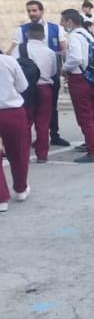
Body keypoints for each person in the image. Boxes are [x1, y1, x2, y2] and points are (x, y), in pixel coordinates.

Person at [8, 0, 70, 148]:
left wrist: (65, 69)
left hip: (50, 72)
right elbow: (14, 50)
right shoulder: (22, 30)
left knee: (52, 108)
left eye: (34, 10)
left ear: (41, 11)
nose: (31, 13)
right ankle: (34, 141)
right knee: (31, 110)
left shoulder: (56, 28)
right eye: (29, 10)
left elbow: (64, 49)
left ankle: (54, 135)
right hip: (29, 76)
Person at [61, 9, 94, 163]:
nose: (62, 25)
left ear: (70, 22)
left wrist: (64, 68)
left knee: (85, 116)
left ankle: (93, 150)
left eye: (63, 22)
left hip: (81, 79)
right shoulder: (89, 34)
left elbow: (75, 58)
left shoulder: (74, 36)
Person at [14, 23, 57, 163]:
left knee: (25, 123)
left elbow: (15, 68)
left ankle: (23, 154)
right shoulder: (49, 52)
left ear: (28, 34)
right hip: (45, 88)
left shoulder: (20, 49)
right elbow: (53, 72)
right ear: (43, 35)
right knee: (43, 123)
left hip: (27, 89)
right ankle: (42, 155)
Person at [0, 49, 31, 213]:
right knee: (18, 152)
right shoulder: (9, 61)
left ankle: (1, 198)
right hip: (12, 111)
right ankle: (20, 188)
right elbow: (23, 85)